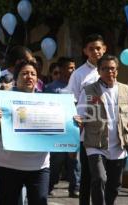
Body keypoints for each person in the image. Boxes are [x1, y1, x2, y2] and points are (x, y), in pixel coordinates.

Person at [76, 54, 128, 205]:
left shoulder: (126, 90)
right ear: (99, 71)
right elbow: (81, 119)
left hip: (119, 145)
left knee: (114, 185)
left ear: (117, 71)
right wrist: (72, 144)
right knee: (100, 178)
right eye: (105, 69)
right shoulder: (88, 91)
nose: (109, 72)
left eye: (112, 69)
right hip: (95, 144)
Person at [0, 60, 50, 205]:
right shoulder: (3, 100)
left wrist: (72, 123)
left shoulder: (47, 101)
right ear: (16, 78)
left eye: (33, 74)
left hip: (39, 166)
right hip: (9, 166)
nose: (29, 77)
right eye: (25, 73)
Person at [67, 33, 107, 205]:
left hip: (107, 131)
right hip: (87, 132)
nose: (95, 52)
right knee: (88, 175)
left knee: (106, 176)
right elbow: (71, 100)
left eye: (98, 48)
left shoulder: (110, 71)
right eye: (91, 49)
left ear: (104, 49)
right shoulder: (78, 74)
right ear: (85, 51)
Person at [45, 57, 80, 198]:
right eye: (69, 67)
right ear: (61, 69)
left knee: (75, 161)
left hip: (74, 128)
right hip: (57, 131)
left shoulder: (78, 86)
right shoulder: (51, 88)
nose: (72, 70)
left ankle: (75, 188)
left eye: (74, 67)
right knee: (56, 160)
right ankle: (49, 185)